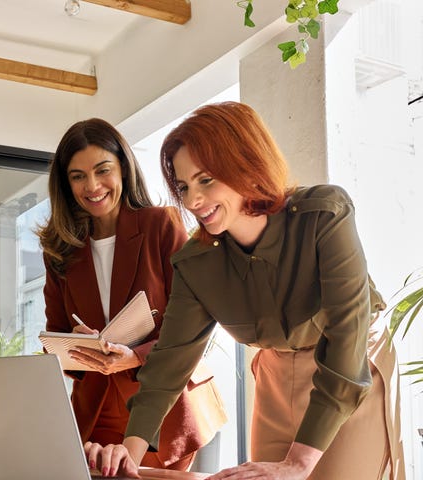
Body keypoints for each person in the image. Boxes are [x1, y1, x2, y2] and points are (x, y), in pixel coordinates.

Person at [84, 102, 405, 479]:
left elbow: (346, 338)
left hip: (350, 370)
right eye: (184, 187)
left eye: (205, 180)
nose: (191, 201)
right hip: (275, 376)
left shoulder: (324, 216)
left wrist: (298, 464)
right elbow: (170, 363)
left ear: (246, 164)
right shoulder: (196, 263)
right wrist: (129, 454)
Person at [38, 118, 227, 471]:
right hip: (96, 410)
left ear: (123, 168)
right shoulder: (59, 250)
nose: (92, 186)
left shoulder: (161, 225)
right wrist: (74, 344)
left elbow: (194, 323)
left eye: (102, 170)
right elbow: (55, 339)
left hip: (165, 404)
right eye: (77, 176)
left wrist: (135, 356)